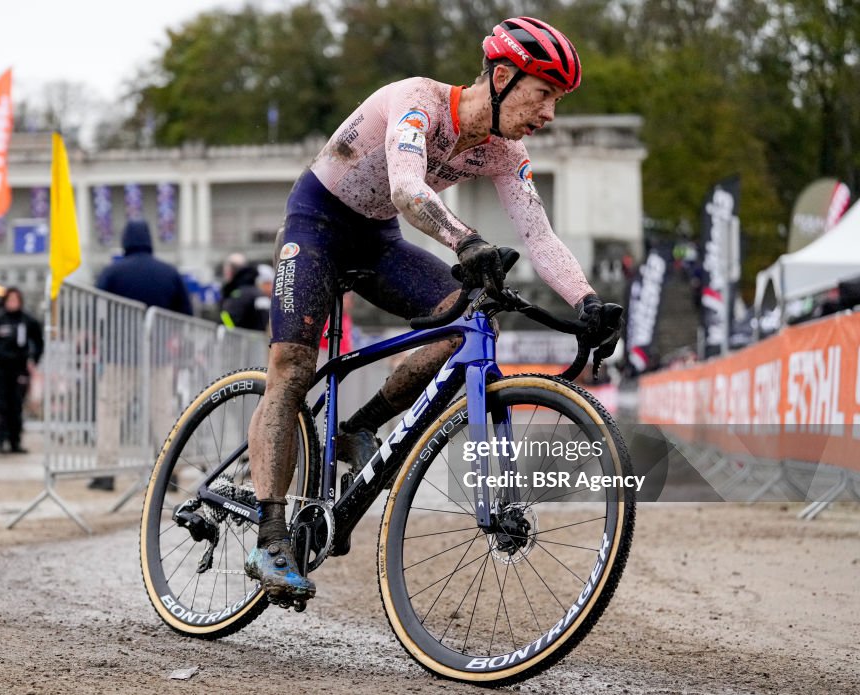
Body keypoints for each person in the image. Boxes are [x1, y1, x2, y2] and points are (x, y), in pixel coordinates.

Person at [244, 17, 616, 604]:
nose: (549, 114)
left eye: (556, 101)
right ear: (501, 77)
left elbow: (540, 236)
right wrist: (466, 241)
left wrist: (588, 301)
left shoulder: (504, 150)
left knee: (466, 322)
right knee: (291, 367)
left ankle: (360, 425)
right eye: (543, 94)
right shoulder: (419, 100)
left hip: (379, 241)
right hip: (318, 222)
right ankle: (268, 534)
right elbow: (408, 190)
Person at [91, 220, 193, 490]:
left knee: (110, 410)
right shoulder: (168, 272)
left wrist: (103, 336)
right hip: (158, 355)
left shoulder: (112, 272)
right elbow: (186, 314)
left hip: (119, 353)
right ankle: (168, 474)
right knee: (161, 412)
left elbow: (96, 310)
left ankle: (106, 471)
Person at [0, 287, 43, 454]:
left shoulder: (27, 320)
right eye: (10, 300)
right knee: (1, 405)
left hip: (20, 368)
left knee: (16, 405)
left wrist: (34, 360)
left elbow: (38, 341)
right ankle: (0, 440)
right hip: (1, 368)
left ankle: (15, 441)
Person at [219, 254, 269, 331]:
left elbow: (228, 317)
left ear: (230, 271)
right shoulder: (257, 292)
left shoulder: (237, 294)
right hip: (257, 340)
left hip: (237, 340)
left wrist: (229, 330)